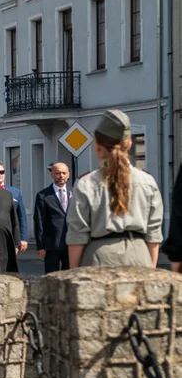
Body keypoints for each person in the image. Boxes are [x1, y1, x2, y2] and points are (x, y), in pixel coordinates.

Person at [67, 109, 163, 267]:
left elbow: (77, 235)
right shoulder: (148, 182)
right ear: (129, 143)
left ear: (97, 146)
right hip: (139, 256)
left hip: (98, 257)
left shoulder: (86, 184)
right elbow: (153, 234)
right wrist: (150, 269)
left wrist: (73, 274)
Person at [34, 163, 72, 273]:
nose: (61, 176)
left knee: (70, 275)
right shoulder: (43, 195)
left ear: (68, 174)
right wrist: (40, 246)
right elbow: (39, 221)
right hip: (51, 245)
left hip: (71, 243)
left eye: (64, 173)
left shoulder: (74, 192)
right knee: (51, 277)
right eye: (58, 173)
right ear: (52, 174)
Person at [0, 159, 29, 253]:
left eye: (2, 172)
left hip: (11, 237)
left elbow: (21, 216)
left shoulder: (15, 192)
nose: (0, 175)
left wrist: (23, 238)